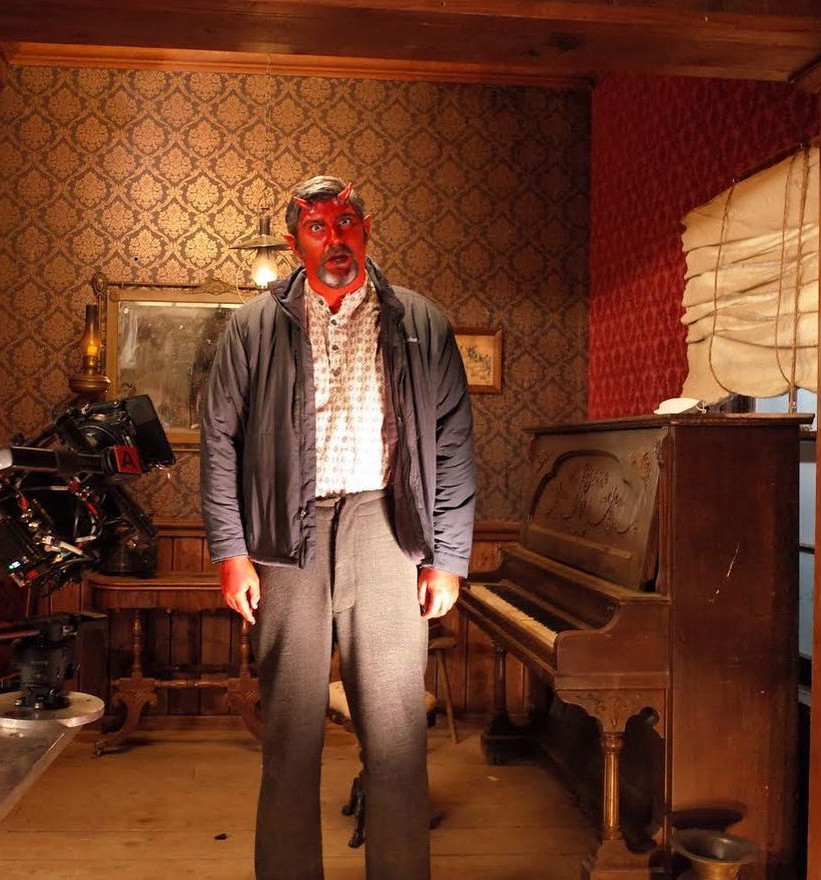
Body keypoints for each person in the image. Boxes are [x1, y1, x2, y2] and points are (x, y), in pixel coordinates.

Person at [200, 175, 475, 880]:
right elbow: (220, 440)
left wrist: (447, 556)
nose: (335, 239)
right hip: (282, 540)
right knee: (290, 739)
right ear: (294, 241)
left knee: (396, 739)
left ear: (367, 229)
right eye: (317, 227)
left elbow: (453, 441)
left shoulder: (419, 321)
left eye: (346, 223)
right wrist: (232, 550)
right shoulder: (252, 327)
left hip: (387, 528)